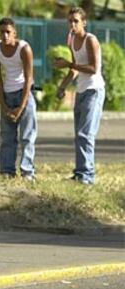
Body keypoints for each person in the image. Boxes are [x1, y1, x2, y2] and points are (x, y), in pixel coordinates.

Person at [54, 7, 105, 185]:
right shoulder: (72, 40)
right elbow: (75, 68)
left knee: (86, 134)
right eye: (70, 21)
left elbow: (93, 68)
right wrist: (62, 86)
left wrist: (67, 63)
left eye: (76, 21)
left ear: (84, 22)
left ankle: (87, 176)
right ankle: (80, 173)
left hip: (94, 90)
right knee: (79, 135)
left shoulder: (91, 40)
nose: (72, 24)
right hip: (81, 91)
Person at [0, 17, 37, 180]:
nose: (5, 35)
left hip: (24, 93)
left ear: (14, 33)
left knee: (27, 136)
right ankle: (7, 171)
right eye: (2, 32)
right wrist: (3, 104)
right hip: (7, 94)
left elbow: (29, 79)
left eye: (8, 32)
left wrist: (21, 107)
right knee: (7, 137)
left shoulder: (24, 48)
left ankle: (27, 172)